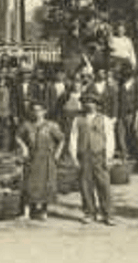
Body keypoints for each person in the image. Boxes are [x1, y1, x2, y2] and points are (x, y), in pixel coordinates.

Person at [68, 92, 115, 225]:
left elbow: (109, 138)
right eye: (87, 102)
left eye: (93, 102)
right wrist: (74, 157)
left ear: (97, 105)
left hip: (99, 155)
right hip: (84, 155)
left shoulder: (104, 119)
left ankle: (108, 214)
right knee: (85, 185)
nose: (89, 105)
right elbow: (73, 138)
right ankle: (89, 212)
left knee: (104, 185)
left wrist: (108, 157)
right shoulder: (78, 120)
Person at [16, 99, 65, 220]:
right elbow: (17, 136)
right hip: (32, 158)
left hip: (46, 158)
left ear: (44, 112)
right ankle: (26, 212)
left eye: (39, 110)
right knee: (29, 184)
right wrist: (24, 147)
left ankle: (43, 211)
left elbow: (62, 139)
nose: (36, 113)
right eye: (34, 110)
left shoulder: (51, 125)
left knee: (45, 184)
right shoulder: (27, 125)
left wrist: (57, 154)